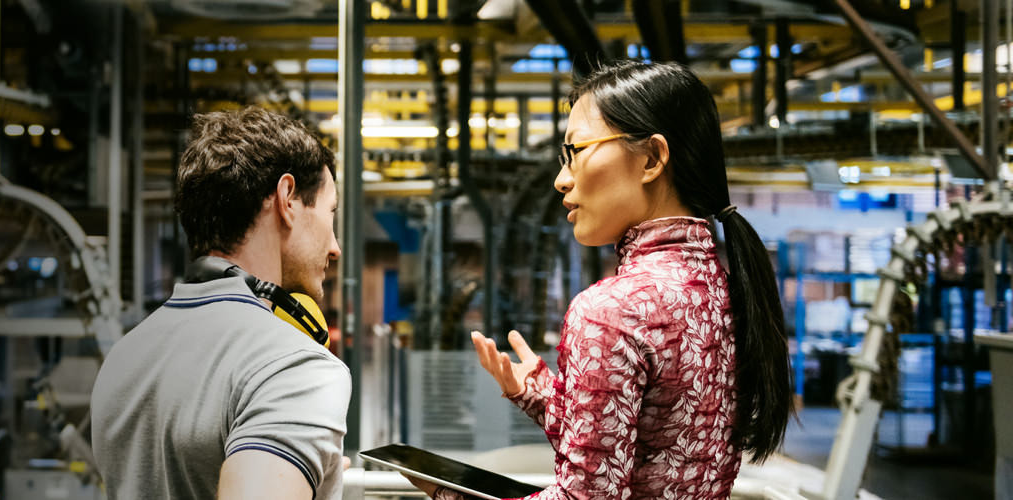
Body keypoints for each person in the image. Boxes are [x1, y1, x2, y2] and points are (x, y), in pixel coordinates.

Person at [412, 60, 794, 499]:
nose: (560, 179)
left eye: (575, 152)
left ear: (651, 158)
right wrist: (535, 393)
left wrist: (452, 496)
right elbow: (645, 452)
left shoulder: (610, 312)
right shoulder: (726, 290)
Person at [91, 107, 349, 500]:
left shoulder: (126, 357)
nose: (335, 248)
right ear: (287, 199)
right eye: (330, 214)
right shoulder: (293, 367)